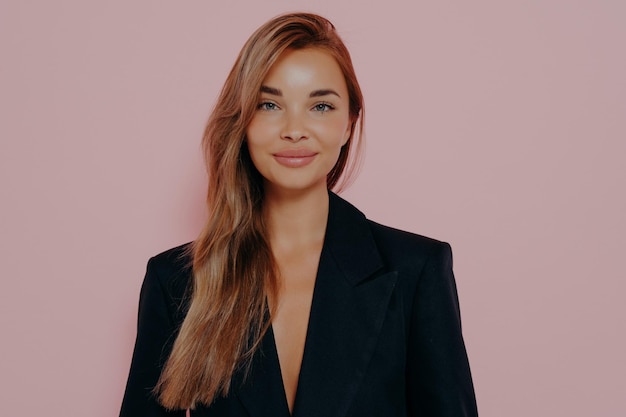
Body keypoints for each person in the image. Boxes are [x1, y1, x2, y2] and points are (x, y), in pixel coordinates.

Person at [120, 12, 478, 417]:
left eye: (321, 106)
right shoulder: (177, 281)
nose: (294, 129)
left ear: (349, 123)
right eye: (269, 104)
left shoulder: (417, 270)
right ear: (243, 121)